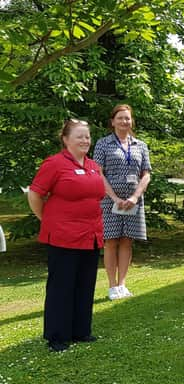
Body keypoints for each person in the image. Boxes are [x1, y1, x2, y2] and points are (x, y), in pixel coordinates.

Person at [28, 119, 105, 351]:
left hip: (90, 235)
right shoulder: (54, 164)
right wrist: (49, 220)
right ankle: (57, 336)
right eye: (79, 136)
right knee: (62, 286)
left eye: (87, 136)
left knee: (85, 284)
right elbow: (35, 195)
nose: (85, 140)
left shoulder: (93, 165)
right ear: (66, 139)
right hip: (63, 236)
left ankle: (81, 331)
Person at [93, 104, 151, 301]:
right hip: (110, 201)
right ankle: (111, 286)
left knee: (127, 240)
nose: (124, 121)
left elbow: (146, 174)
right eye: (120, 118)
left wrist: (135, 196)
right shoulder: (103, 144)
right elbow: (98, 173)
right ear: (113, 121)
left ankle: (122, 284)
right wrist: (114, 198)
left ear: (131, 121)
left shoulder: (140, 145)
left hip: (134, 200)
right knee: (111, 242)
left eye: (127, 118)